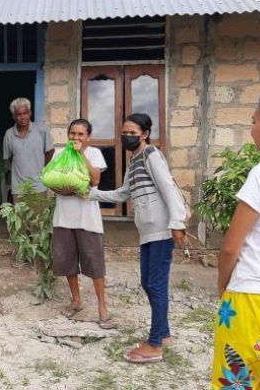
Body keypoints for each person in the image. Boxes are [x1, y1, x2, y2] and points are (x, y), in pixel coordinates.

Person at [87, 113, 186, 363]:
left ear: (145, 134)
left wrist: (177, 223)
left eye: (132, 132)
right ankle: (163, 333)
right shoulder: (134, 161)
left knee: (155, 284)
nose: (127, 136)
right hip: (147, 232)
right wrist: (90, 194)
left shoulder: (151, 154)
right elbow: (122, 194)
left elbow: (168, 188)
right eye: (124, 132)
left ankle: (154, 344)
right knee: (147, 282)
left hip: (162, 230)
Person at [212, 90, 260, 389]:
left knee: (237, 380)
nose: (252, 129)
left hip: (250, 298)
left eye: (255, 120)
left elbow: (230, 247)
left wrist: (224, 284)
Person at [51, 119, 115, 329]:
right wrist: (70, 190)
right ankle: (76, 301)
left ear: (88, 137)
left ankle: (102, 308)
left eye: (80, 134)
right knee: (67, 261)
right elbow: (53, 182)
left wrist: (80, 154)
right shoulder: (59, 154)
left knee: (94, 262)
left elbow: (95, 180)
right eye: (72, 134)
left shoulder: (94, 153)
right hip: (64, 217)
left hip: (88, 218)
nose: (75, 138)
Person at [3, 97, 54, 202]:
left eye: (25, 113)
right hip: (18, 188)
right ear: (13, 116)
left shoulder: (41, 130)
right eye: (19, 114)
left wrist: (42, 168)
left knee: (38, 218)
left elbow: (50, 151)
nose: (23, 117)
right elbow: (9, 158)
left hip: (38, 186)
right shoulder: (9, 134)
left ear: (30, 113)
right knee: (20, 218)